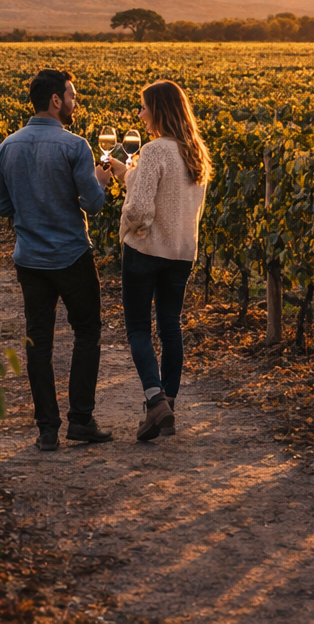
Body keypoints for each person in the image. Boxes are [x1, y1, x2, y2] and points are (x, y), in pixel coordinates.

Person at [0, 69, 115, 452]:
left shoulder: (6, 147)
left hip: (29, 259)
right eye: (73, 96)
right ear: (55, 101)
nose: (75, 103)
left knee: (39, 342)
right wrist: (102, 181)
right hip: (72, 256)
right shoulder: (75, 146)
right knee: (87, 332)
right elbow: (93, 204)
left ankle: (47, 429)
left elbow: (2, 207)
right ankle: (80, 420)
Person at [103, 79, 211, 442]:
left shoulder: (154, 151)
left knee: (137, 327)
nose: (140, 113)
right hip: (182, 253)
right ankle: (168, 405)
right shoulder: (196, 152)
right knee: (170, 327)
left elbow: (138, 210)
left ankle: (154, 398)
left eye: (144, 107)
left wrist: (133, 224)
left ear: (159, 110)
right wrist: (128, 174)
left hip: (146, 251)